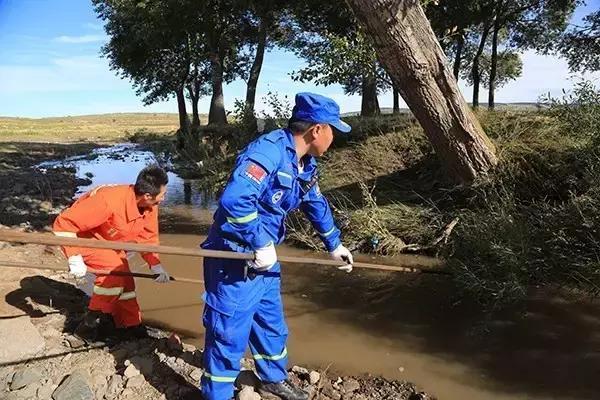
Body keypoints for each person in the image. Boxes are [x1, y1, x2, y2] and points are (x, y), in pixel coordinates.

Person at [200, 93, 354, 400]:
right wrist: (258, 241)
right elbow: (234, 200)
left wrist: (334, 244)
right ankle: (216, 395)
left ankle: (272, 378)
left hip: (265, 258)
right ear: (316, 130)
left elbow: (314, 201)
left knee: (270, 324)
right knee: (228, 331)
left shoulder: (304, 163)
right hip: (234, 256)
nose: (334, 137)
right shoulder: (268, 152)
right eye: (332, 129)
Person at [53, 164, 171, 340]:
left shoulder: (149, 206)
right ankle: (88, 326)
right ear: (147, 195)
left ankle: (130, 324)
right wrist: (74, 256)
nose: (163, 198)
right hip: (84, 238)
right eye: (163, 194)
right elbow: (64, 224)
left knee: (127, 281)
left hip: (109, 243)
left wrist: (156, 265)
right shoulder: (108, 201)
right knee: (114, 274)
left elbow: (148, 239)